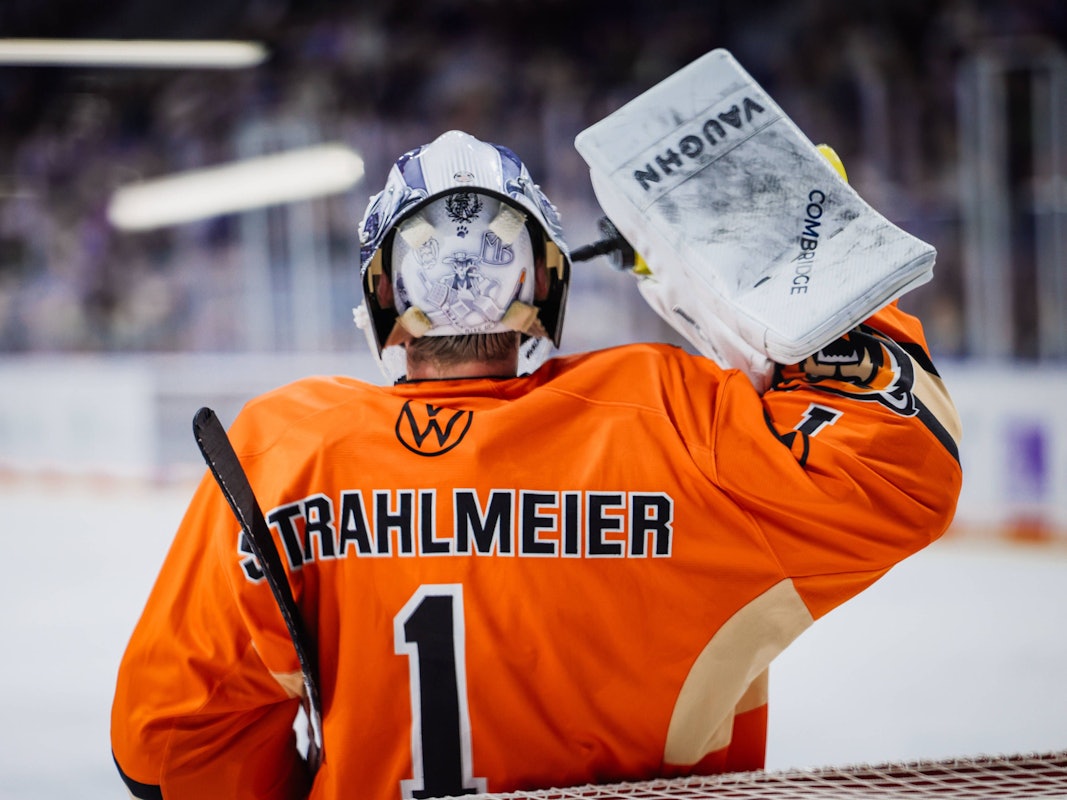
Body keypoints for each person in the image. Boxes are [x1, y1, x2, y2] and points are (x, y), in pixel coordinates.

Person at [111, 130, 962, 800]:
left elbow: (171, 735)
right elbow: (896, 459)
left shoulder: (287, 448)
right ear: (549, 285)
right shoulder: (666, 416)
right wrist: (783, 250)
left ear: (381, 301)